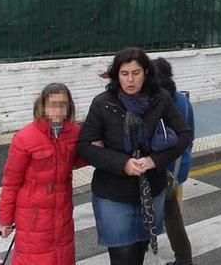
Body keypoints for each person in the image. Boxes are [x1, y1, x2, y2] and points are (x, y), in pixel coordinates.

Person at [78, 47, 194, 265]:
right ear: (116, 75)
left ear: (146, 73)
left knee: (139, 251)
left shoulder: (161, 99)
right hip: (113, 194)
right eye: (124, 74)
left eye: (136, 73)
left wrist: (154, 161)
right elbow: (84, 145)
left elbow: (185, 134)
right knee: (122, 258)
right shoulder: (103, 103)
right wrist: (123, 163)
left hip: (152, 191)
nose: (130, 80)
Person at [0, 83, 84, 265]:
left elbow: (76, 160)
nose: (58, 109)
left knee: (63, 256)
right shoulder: (25, 137)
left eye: (63, 104)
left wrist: (96, 149)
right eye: (53, 104)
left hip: (62, 213)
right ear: (43, 106)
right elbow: (11, 182)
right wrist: (5, 219)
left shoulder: (75, 132)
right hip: (33, 216)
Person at [152, 58, 195, 265]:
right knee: (174, 210)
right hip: (181, 163)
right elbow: (191, 132)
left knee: (165, 212)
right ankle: (184, 258)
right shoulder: (182, 99)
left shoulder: (158, 100)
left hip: (163, 166)